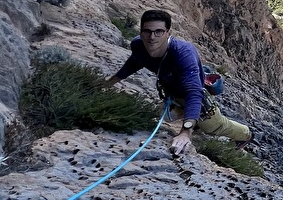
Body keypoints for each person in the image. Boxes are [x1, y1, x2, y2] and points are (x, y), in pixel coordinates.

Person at [106, 8, 251, 156]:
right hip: (173, 95)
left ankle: (245, 134)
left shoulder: (183, 54)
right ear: (141, 31)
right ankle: (193, 121)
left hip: (195, 97)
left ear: (168, 33)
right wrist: (109, 83)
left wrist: (185, 132)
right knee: (149, 115)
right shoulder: (138, 45)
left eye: (159, 32)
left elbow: (194, 93)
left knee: (214, 127)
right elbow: (135, 61)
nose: (152, 37)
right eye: (147, 31)